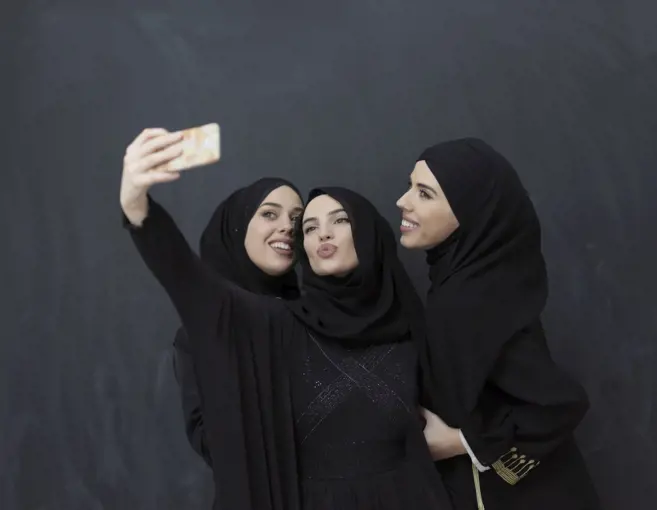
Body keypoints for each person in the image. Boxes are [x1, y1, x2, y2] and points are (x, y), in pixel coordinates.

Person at [119, 127, 450, 510]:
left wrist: (463, 444)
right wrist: (139, 210)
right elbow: (191, 286)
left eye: (339, 220)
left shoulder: (412, 323)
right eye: (310, 227)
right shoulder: (277, 323)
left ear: (369, 232)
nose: (319, 233)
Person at [396, 138, 601, 509]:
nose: (403, 201)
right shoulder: (463, 285)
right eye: (410, 186)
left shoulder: (470, 300)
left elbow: (560, 403)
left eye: (425, 193)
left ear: (468, 213)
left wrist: (464, 442)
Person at [171, 177, 302, 470]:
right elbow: (213, 445)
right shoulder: (205, 331)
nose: (288, 226)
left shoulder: (317, 317)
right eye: (269, 213)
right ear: (237, 227)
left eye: (297, 218)